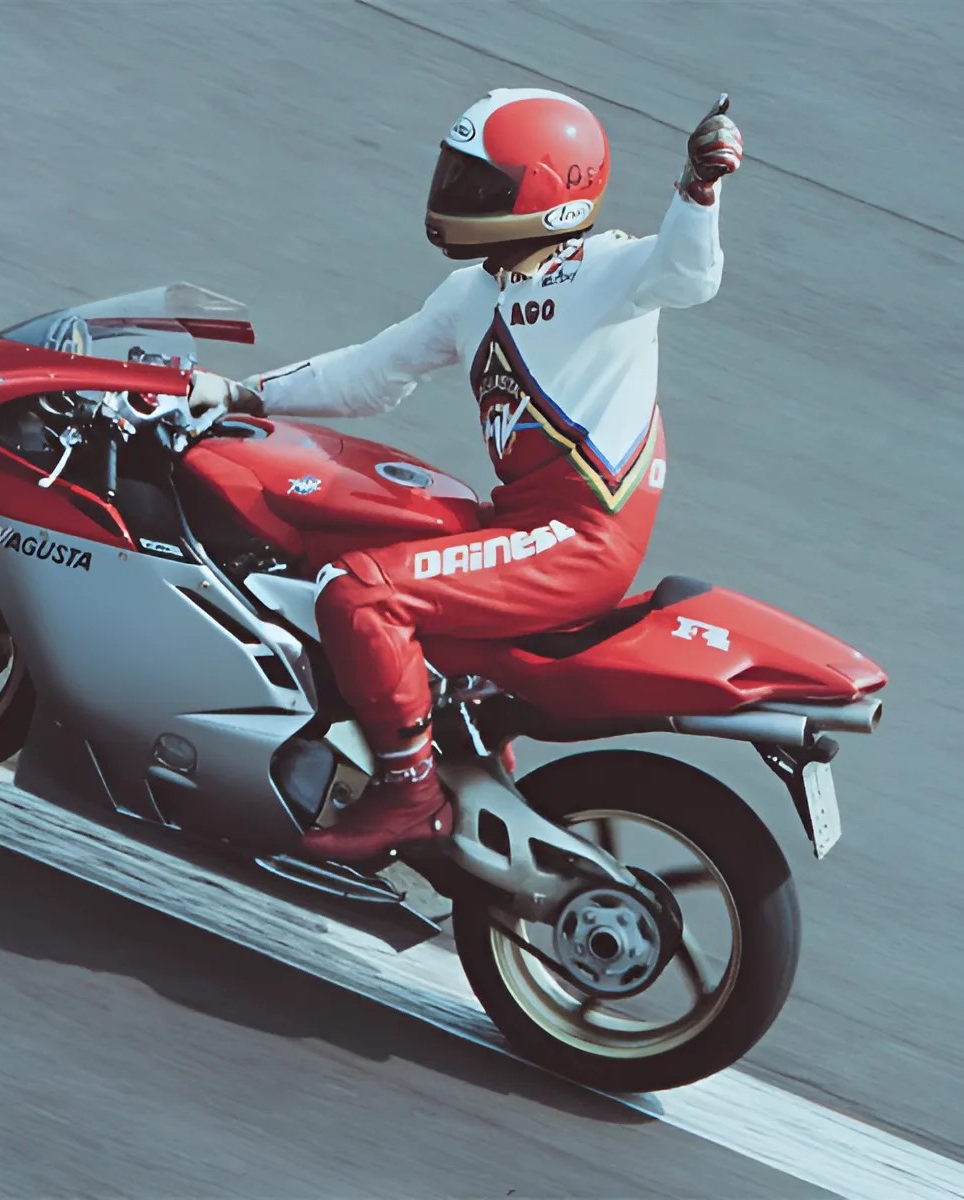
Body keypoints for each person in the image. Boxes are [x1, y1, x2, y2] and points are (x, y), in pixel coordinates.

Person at [188, 87, 744, 863]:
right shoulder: (473, 292)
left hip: (577, 540)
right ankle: (448, 743)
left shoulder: (608, 270)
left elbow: (689, 275)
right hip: (520, 521)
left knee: (359, 593)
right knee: (350, 533)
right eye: (454, 174)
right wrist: (244, 394)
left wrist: (698, 190)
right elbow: (370, 374)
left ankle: (410, 793)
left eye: (478, 184)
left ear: (544, 196)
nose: (453, 195)